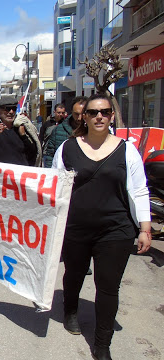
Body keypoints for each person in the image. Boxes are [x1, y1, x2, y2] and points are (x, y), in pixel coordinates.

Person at [52, 93, 151, 360]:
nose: (100, 116)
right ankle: (70, 310)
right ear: (83, 116)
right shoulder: (67, 149)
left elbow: (139, 190)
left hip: (115, 230)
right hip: (76, 228)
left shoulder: (127, 150)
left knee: (107, 287)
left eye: (105, 112)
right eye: (94, 112)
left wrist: (145, 227)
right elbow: (55, 189)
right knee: (74, 274)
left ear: (111, 116)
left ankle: (102, 344)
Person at [0, 96, 40, 166]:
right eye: (7, 109)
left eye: (14, 109)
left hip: (19, 173)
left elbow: (33, 151)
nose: (11, 112)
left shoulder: (23, 126)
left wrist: (23, 135)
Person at [43, 96, 87, 168]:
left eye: (82, 114)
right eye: (76, 114)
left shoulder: (94, 131)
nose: (79, 118)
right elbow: (50, 155)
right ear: (71, 112)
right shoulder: (58, 131)